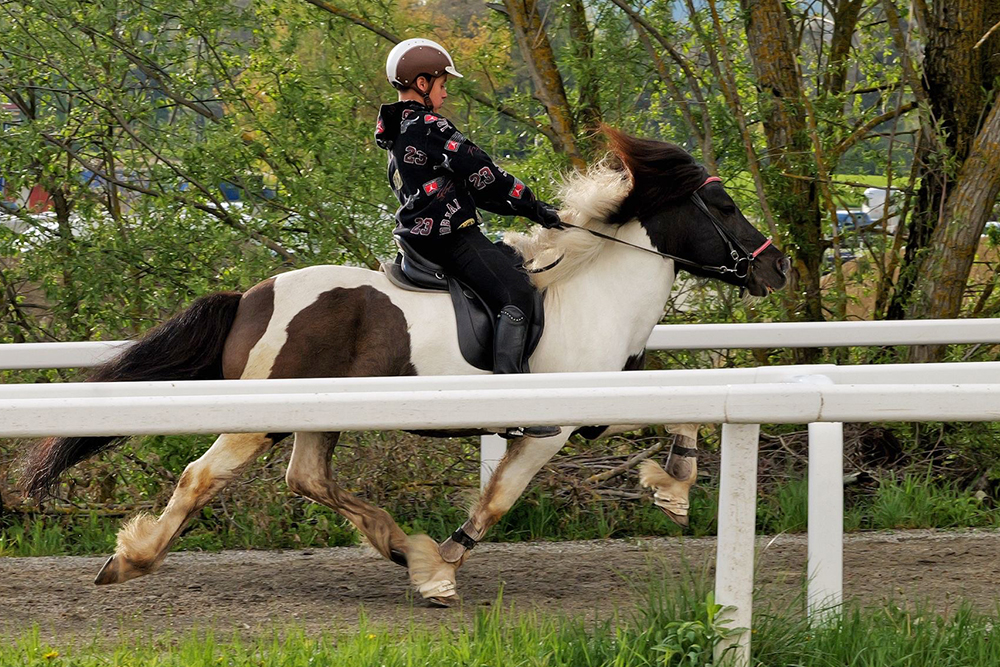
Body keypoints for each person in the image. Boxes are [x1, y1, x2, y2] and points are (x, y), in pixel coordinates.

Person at [375, 38, 563, 439]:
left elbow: (472, 187)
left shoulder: (397, 131)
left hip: (423, 238)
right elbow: (484, 173)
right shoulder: (429, 126)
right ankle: (509, 405)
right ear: (422, 83)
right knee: (517, 293)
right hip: (448, 236)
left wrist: (525, 209)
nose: (446, 90)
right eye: (442, 82)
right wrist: (534, 206)